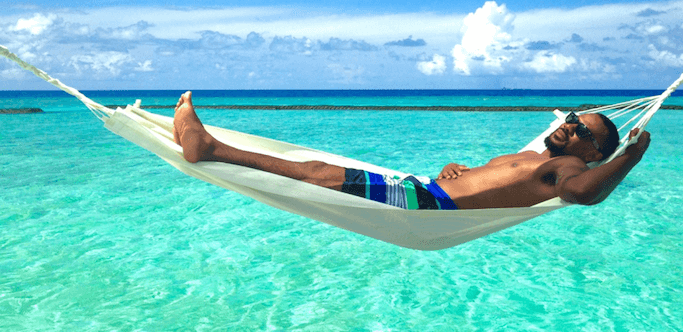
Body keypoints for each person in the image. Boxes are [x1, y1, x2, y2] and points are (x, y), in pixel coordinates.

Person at [172, 91, 651, 210]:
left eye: (581, 130)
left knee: (319, 171)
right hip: (428, 191)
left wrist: (630, 155)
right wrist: (454, 172)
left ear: (594, 152)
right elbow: (489, 186)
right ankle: (209, 145)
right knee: (324, 168)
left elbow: (583, 194)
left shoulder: (569, 166)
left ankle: (209, 146)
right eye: (571, 119)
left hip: (428, 207)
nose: (569, 127)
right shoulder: (535, 157)